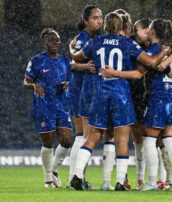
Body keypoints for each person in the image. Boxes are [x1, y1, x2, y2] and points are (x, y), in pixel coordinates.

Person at [69, 12, 172, 191]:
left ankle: (77, 176)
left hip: (100, 93)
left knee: (93, 136)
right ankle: (119, 182)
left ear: (105, 25)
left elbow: (77, 57)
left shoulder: (95, 41)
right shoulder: (127, 43)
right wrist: (164, 51)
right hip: (121, 95)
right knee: (122, 139)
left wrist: (72, 48)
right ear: (121, 27)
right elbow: (151, 61)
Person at [101, 18, 172, 191]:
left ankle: (151, 182)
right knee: (170, 139)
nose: (145, 31)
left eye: (148, 29)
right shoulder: (168, 48)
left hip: (159, 97)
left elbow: (138, 74)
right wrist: (168, 63)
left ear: (153, 32)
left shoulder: (153, 51)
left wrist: (113, 72)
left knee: (149, 140)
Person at [67, 5, 115, 190]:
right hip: (81, 90)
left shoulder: (95, 39)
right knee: (83, 135)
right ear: (85, 20)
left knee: (83, 135)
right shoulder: (83, 38)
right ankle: (75, 178)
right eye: (95, 18)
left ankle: (77, 178)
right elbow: (73, 64)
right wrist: (86, 66)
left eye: (101, 17)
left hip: (87, 90)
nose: (100, 21)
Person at [23, 28, 72, 188]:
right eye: (52, 40)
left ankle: (53, 170)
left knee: (66, 141)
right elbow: (25, 82)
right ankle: (48, 180)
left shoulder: (65, 61)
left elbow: (72, 81)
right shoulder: (37, 61)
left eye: (57, 40)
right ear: (45, 42)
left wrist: (68, 84)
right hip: (44, 106)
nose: (56, 43)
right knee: (48, 142)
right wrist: (35, 84)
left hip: (62, 106)